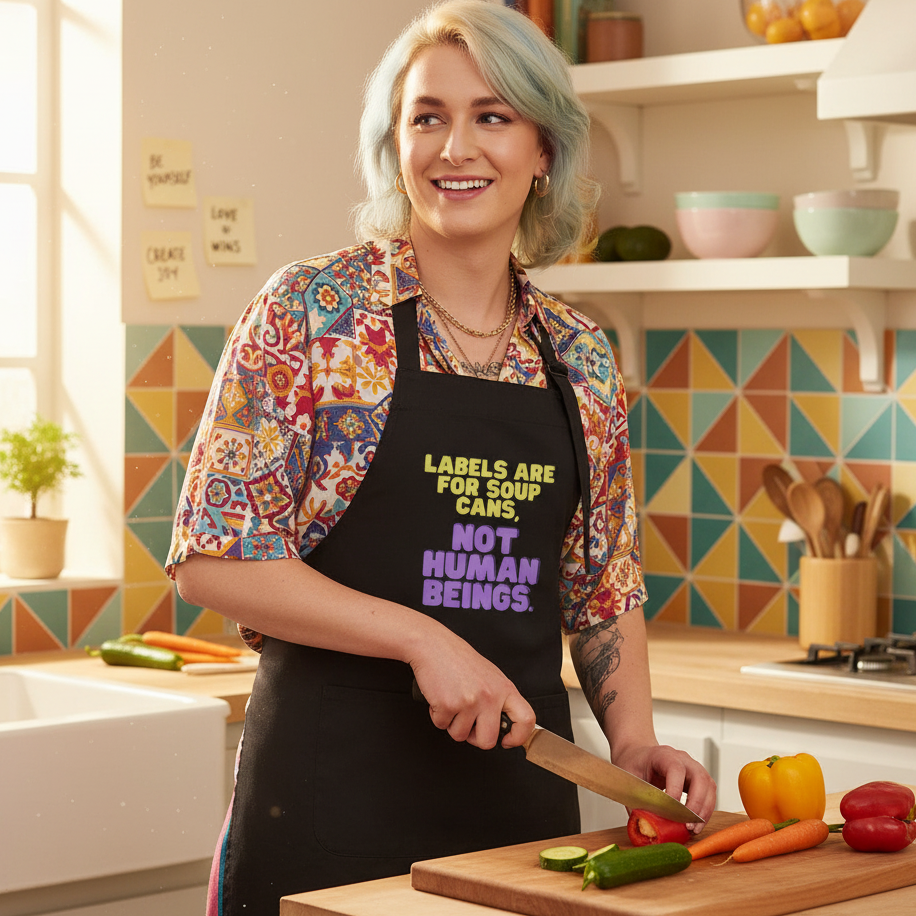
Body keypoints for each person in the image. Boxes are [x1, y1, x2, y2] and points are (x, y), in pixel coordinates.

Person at [166, 2, 717, 912]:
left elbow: (602, 586)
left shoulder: (578, 353)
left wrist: (633, 746)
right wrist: (425, 641)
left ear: (544, 153)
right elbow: (214, 558)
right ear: (397, 143)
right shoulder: (313, 313)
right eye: (428, 117)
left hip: (519, 820)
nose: (455, 146)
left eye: (492, 117)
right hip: (323, 803)